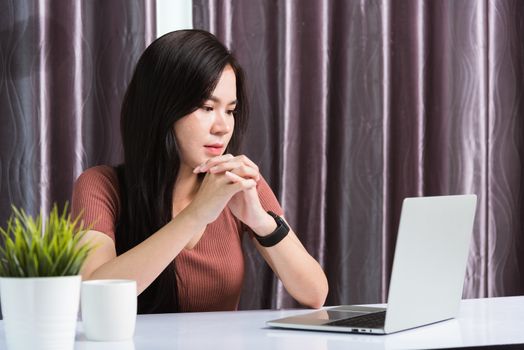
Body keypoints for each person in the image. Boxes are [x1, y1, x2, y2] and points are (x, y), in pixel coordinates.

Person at [71, 29, 328, 314]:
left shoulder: (236, 181)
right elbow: (92, 295)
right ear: (162, 109)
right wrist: (196, 215)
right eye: (207, 107)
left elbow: (315, 293)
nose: (222, 127)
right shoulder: (101, 185)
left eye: (230, 110)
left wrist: (261, 221)